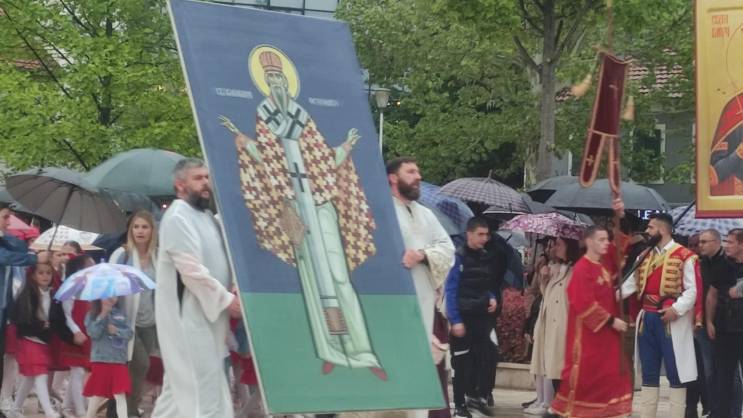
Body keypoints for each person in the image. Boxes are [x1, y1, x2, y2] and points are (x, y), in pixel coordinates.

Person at [221, 47, 384, 378]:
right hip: (293, 208)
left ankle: (362, 350)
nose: (276, 83)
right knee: (310, 278)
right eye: (270, 78)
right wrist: (244, 141)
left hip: (320, 204)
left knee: (339, 274)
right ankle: (330, 349)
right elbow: (268, 159)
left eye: (279, 77)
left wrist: (345, 148)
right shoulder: (265, 113)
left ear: (286, 81)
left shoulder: (301, 114)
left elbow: (321, 157)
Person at [151, 158, 241, 418]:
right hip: (187, 319)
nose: (205, 183)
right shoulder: (177, 216)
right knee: (202, 390)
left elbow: (225, 259)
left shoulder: (207, 218)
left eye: (206, 177)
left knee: (179, 393)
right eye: (198, 178)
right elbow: (191, 271)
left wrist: (234, 288)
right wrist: (226, 300)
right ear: (180, 185)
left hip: (209, 318)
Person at [621, 213, 698, 418]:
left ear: (662, 230)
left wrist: (676, 309)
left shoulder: (685, 255)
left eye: (651, 228)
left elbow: (692, 290)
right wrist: (608, 295)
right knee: (649, 372)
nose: (647, 231)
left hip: (671, 320)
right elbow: (630, 285)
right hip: (647, 319)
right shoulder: (644, 256)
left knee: (676, 371)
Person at [550, 226, 633, 417]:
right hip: (588, 336)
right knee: (587, 378)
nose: (606, 243)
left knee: (612, 375)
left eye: (606, 239)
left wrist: (620, 217)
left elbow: (617, 250)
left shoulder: (603, 266)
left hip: (606, 337)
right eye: (601, 240)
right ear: (589, 242)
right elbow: (583, 302)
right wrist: (611, 320)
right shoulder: (582, 268)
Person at [387, 157, 455, 337]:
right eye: (411, 172)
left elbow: (448, 248)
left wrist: (422, 255)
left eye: (418, 172)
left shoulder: (426, 214)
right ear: (393, 178)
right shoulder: (382, 211)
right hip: (393, 296)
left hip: (425, 296)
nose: (418, 177)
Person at [444, 217, 498, 418]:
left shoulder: (485, 256)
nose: (484, 238)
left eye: (486, 234)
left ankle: (476, 397)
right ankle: (459, 405)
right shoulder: (458, 257)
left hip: (481, 317)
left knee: (486, 356)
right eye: (480, 234)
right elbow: (450, 289)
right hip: (463, 316)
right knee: (461, 362)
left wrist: (491, 297)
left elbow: (486, 283)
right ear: (469, 234)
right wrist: (455, 320)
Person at [109, 210, 159, 418]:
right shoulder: (122, 254)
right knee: (140, 364)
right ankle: (129, 411)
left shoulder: (158, 256)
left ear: (152, 231)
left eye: (144, 227)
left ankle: (120, 410)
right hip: (127, 321)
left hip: (151, 321)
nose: (140, 231)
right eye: (136, 227)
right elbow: (108, 284)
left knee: (137, 370)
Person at [526, 237, 580, 416]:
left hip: (562, 323)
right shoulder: (555, 267)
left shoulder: (575, 270)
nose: (555, 248)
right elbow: (547, 294)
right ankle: (545, 401)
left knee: (556, 365)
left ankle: (553, 402)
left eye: (559, 244)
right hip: (548, 321)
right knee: (545, 362)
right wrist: (544, 278)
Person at [9, 261, 59, 418]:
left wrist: (50, 325)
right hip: (29, 339)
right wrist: (41, 325)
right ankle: (49, 411)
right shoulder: (27, 294)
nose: (45, 276)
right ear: (33, 275)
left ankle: (15, 409)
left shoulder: (52, 294)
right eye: (41, 273)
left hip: (43, 339)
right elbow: (22, 319)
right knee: (40, 374)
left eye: (48, 273)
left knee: (30, 378)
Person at [710, 229, 743, 418]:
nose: (726, 246)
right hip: (724, 329)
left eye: (731, 242)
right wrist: (709, 321)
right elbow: (712, 294)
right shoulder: (722, 266)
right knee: (723, 378)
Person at [83, 296, 133, 418]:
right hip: (101, 359)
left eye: (114, 294)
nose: (111, 297)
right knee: (97, 395)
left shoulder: (121, 314)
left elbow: (129, 334)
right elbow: (93, 333)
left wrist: (117, 331)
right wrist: (102, 315)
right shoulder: (92, 314)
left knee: (120, 394)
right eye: (107, 294)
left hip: (118, 360)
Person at [58, 255, 95, 418]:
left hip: (87, 334)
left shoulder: (90, 288)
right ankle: (81, 411)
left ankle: (66, 407)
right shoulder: (70, 287)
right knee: (77, 371)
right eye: (89, 266)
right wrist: (76, 331)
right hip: (75, 335)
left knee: (78, 372)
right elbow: (66, 315)